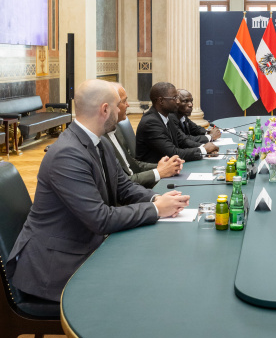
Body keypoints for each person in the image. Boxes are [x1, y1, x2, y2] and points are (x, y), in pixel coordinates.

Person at [6, 80, 189, 302]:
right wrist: (156, 209)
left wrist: (157, 197)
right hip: (56, 267)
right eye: (118, 105)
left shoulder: (98, 141)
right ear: (105, 109)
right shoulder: (67, 154)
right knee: (147, 283)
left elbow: (124, 186)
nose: (124, 109)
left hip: (83, 245)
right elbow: (100, 219)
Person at [104, 85, 183, 188]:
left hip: (137, 188)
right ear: (106, 108)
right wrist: (158, 172)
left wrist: (165, 166)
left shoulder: (116, 129)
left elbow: (132, 165)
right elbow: (121, 183)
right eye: (123, 102)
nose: (128, 105)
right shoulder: (100, 139)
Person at [136, 82, 219, 163]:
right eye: (174, 98)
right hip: (155, 171)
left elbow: (182, 141)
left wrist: (205, 147)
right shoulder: (151, 122)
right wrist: (204, 150)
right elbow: (173, 153)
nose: (178, 101)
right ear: (161, 101)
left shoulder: (167, 117)